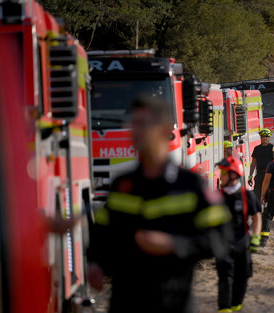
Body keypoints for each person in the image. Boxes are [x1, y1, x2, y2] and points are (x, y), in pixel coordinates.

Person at [87, 96, 232, 313]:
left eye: (143, 124)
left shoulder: (190, 185)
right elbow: (102, 233)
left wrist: (174, 245)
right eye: (132, 123)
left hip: (172, 303)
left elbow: (221, 236)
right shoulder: (122, 184)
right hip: (124, 303)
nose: (134, 130)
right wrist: (96, 264)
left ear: (165, 131)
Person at [216, 156, 262, 313]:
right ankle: (224, 308)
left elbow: (256, 216)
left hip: (242, 243)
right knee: (225, 278)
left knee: (243, 277)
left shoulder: (246, 196)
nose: (220, 175)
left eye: (223, 172)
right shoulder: (216, 197)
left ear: (233, 175)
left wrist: (255, 238)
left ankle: (236, 305)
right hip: (223, 244)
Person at [248, 129, 273, 201]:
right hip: (259, 175)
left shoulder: (272, 148)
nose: (265, 138)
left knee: (271, 194)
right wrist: (250, 176)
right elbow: (253, 163)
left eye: (266, 136)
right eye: (263, 136)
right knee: (257, 195)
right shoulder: (257, 149)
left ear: (269, 137)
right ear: (260, 137)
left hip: (270, 175)